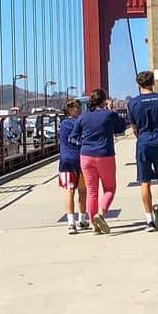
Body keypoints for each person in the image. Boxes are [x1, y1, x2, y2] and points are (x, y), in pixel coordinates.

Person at [69, 88, 126, 235]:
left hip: (86, 156)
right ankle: (100, 213)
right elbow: (121, 128)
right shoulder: (109, 114)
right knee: (109, 189)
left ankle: (94, 226)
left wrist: (83, 144)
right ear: (103, 101)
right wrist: (111, 110)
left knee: (92, 192)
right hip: (105, 155)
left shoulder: (82, 117)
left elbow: (73, 137)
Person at [126, 70, 158, 232]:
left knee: (144, 181)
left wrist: (141, 137)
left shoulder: (132, 103)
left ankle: (149, 221)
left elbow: (134, 128)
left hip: (143, 144)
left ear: (138, 85)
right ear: (153, 83)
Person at [57, 98, 89, 233]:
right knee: (83, 190)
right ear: (71, 110)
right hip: (81, 159)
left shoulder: (63, 124)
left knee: (69, 190)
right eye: (78, 107)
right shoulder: (81, 122)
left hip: (66, 161)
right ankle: (82, 218)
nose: (81, 110)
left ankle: (71, 222)